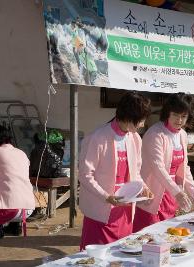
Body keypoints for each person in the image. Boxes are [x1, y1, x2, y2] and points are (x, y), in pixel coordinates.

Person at [79, 91, 153, 250]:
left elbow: (136, 173)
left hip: (124, 210)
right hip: (100, 210)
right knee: (96, 256)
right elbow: (85, 175)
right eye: (140, 121)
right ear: (128, 117)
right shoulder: (97, 138)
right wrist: (106, 196)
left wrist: (144, 188)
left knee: (122, 253)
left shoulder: (135, 139)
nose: (142, 125)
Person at [133, 93, 194, 232]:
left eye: (184, 116)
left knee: (168, 235)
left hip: (171, 194)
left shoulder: (182, 134)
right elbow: (157, 167)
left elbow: (184, 168)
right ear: (167, 113)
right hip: (154, 192)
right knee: (149, 236)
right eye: (176, 115)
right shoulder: (156, 134)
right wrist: (178, 192)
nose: (179, 120)